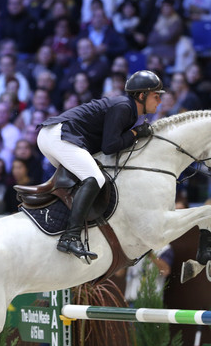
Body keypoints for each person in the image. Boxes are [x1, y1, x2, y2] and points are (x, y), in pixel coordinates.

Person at [36, 70, 162, 260]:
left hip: (55, 136)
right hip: (60, 136)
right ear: (142, 95)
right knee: (94, 177)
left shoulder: (128, 109)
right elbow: (110, 146)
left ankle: (59, 225)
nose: (159, 101)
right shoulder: (124, 107)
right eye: (156, 96)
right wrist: (135, 134)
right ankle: (70, 237)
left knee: (83, 182)